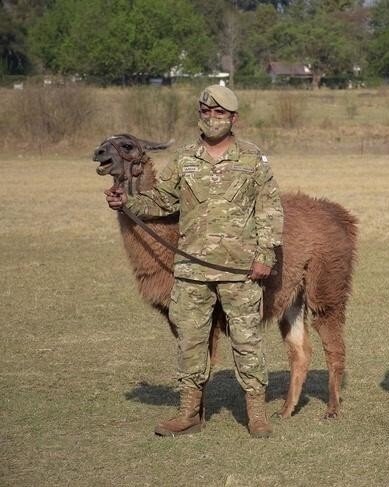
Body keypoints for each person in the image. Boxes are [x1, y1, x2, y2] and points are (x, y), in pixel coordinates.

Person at [105, 85, 284, 438]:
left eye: (219, 113)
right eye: (206, 112)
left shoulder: (252, 159)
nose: (212, 118)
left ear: (233, 118)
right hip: (191, 272)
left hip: (240, 272)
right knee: (190, 341)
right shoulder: (185, 160)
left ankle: (257, 414)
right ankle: (189, 414)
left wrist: (265, 256)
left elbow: (270, 209)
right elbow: (161, 201)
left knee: (247, 342)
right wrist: (126, 202)